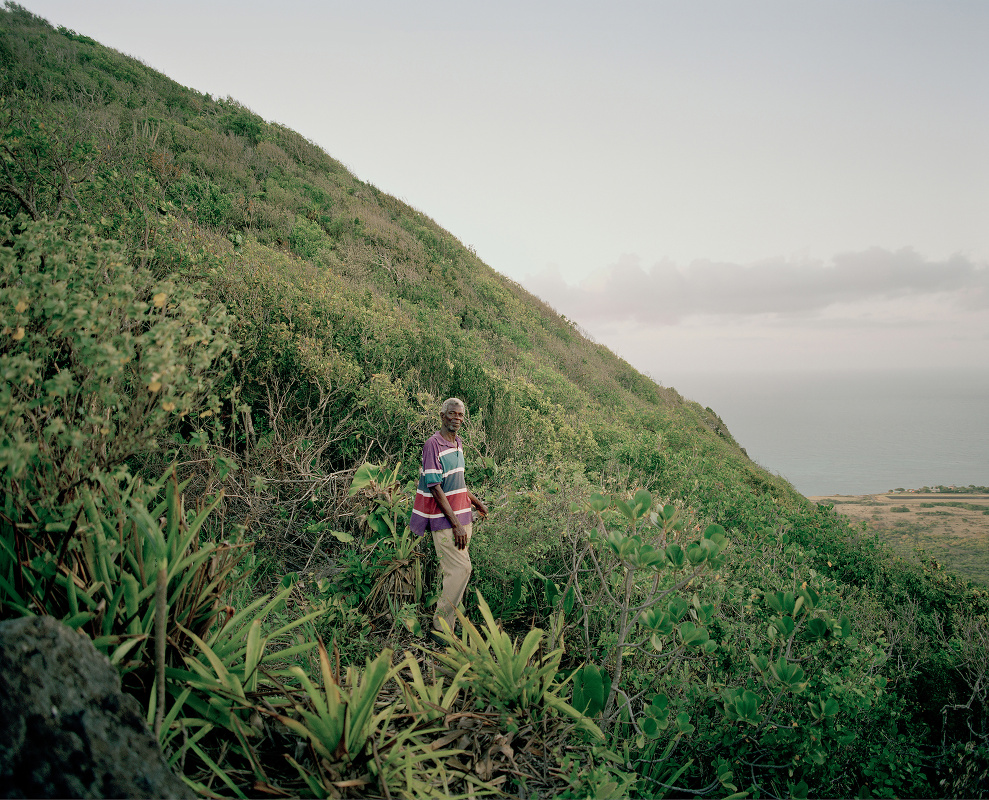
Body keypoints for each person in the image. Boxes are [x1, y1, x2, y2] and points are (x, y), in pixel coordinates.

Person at [410, 397, 488, 640]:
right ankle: (440, 629)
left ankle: (450, 624)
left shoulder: (458, 443)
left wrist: (477, 503)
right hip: (447, 522)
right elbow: (435, 487)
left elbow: (458, 482)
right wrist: (456, 525)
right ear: (442, 416)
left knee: (456, 572)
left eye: (460, 415)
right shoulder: (432, 445)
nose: (457, 418)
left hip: (464, 518)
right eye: (452, 414)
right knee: (461, 569)